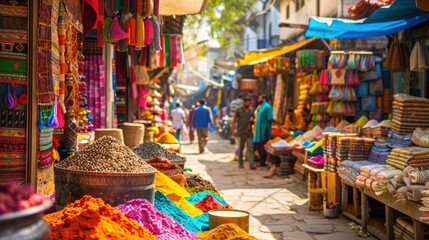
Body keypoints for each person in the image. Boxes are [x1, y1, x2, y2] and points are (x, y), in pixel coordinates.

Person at [253, 95, 278, 168]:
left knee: (264, 145)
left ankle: (262, 161)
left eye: (259, 98)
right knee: (261, 145)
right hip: (260, 130)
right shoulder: (261, 107)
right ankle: (261, 161)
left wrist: (277, 122)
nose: (258, 99)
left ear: (264, 99)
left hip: (264, 130)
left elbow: (269, 118)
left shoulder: (268, 107)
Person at [233, 96, 256, 169]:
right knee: (241, 148)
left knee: (250, 148)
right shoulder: (239, 110)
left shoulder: (251, 110)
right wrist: (234, 130)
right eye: (247, 102)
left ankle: (251, 164)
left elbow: (253, 121)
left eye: (249, 102)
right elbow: (234, 120)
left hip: (249, 132)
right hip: (241, 131)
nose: (248, 103)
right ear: (244, 102)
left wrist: (252, 120)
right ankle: (240, 163)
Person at [229, 94, 244, 160]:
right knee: (239, 138)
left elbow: (230, 111)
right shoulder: (242, 103)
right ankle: (238, 153)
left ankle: (237, 154)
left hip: (233, 120)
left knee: (236, 138)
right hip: (240, 121)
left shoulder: (232, 102)